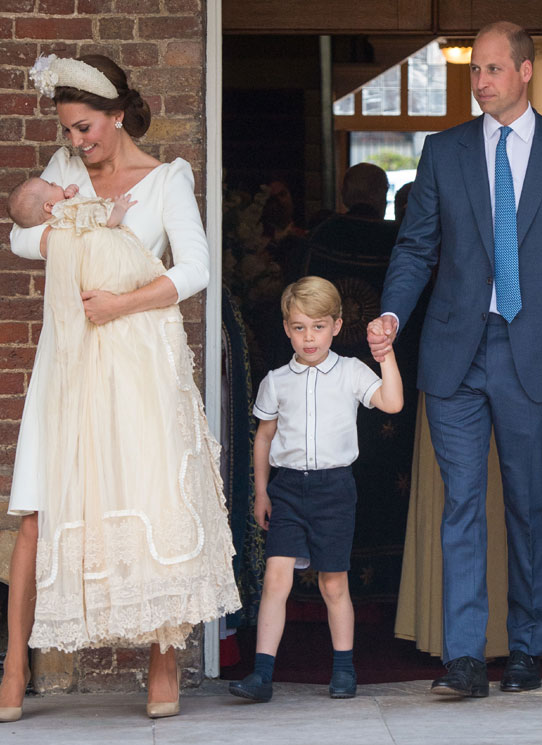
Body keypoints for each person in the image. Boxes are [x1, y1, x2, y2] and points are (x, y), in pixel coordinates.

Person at [367, 20, 542, 696]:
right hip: (453, 351)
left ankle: (529, 645)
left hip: (534, 351)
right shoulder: (443, 151)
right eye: (474, 71)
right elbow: (416, 247)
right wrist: (392, 314)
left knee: (528, 503)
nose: (479, 82)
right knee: (462, 504)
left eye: (492, 69)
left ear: (525, 71)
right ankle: (465, 658)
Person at [0, 53, 240, 723]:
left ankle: (163, 659)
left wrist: (120, 303)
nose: (76, 143)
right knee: (37, 511)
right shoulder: (66, 174)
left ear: (116, 114)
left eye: (85, 128)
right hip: (68, 360)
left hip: (134, 355)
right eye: (68, 131)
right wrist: (76, 220)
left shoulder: (166, 180)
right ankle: (14, 665)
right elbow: (22, 235)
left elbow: (193, 269)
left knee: (153, 497)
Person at [228, 276, 403, 703]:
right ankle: (262, 674)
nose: (310, 337)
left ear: (337, 326)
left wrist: (386, 355)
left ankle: (343, 668)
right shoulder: (275, 381)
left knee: (333, 584)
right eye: (300, 327)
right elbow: (264, 438)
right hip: (287, 488)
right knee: (276, 578)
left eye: (319, 326)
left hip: (334, 489)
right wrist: (262, 492)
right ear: (287, 328)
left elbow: (393, 403)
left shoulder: (350, 372)